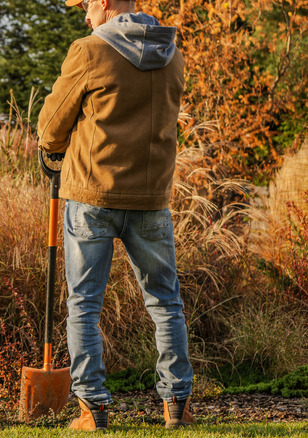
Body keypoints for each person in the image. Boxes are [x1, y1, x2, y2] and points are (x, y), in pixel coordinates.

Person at [37, 0, 194, 431]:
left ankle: (93, 408)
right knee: (166, 302)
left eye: (87, 6)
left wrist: (54, 146)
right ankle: (176, 402)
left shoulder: (89, 51)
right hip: (151, 200)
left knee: (84, 304)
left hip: (93, 195)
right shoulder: (173, 54)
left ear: (104, 4)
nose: (85, 16)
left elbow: (50, 127)